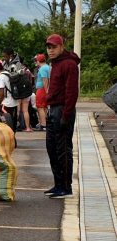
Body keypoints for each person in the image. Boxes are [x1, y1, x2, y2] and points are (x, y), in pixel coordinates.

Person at [44, 34, 80, 198]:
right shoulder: (55, 63)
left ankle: (66, 187)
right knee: (51, 148)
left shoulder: (69, 64)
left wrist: (65, 116)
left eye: (54, 47)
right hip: (53, 109)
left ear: (61, 47)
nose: (50, 50)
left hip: (63, 110)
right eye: (48, 47)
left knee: (63, 149)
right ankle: (58, 184)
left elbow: (72, 92)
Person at [0, 59, 19, 132]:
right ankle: (13, 138)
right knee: (13, 122)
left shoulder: (1, 76)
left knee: (7, 123)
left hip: (7, 103)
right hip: (14, 101)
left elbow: (2, 92)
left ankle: (8, 138)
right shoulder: (8, 73)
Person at [34, 54, 49, 131]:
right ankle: (45, 123)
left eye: (36, 61)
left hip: (42, 89)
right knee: (44, 107)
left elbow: (44, 79)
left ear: (38, 61)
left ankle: (43, 125)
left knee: (40, 107)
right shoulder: (48, 67)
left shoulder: (42, 68)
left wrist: (46, 91)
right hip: (45, 89)